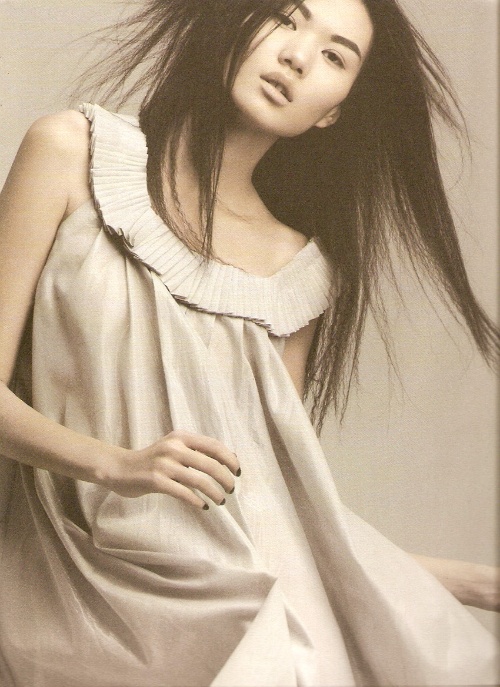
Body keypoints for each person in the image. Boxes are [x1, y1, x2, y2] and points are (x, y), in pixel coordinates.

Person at [0, 0, 498, 684]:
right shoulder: (72, 152)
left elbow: (277, 516)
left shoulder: (299, 276)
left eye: (335, 55)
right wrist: (115, 464)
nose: (297, 55)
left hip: (221, 597)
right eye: (287, 18)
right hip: (67, 593)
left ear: (333, 112)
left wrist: (453, 580)